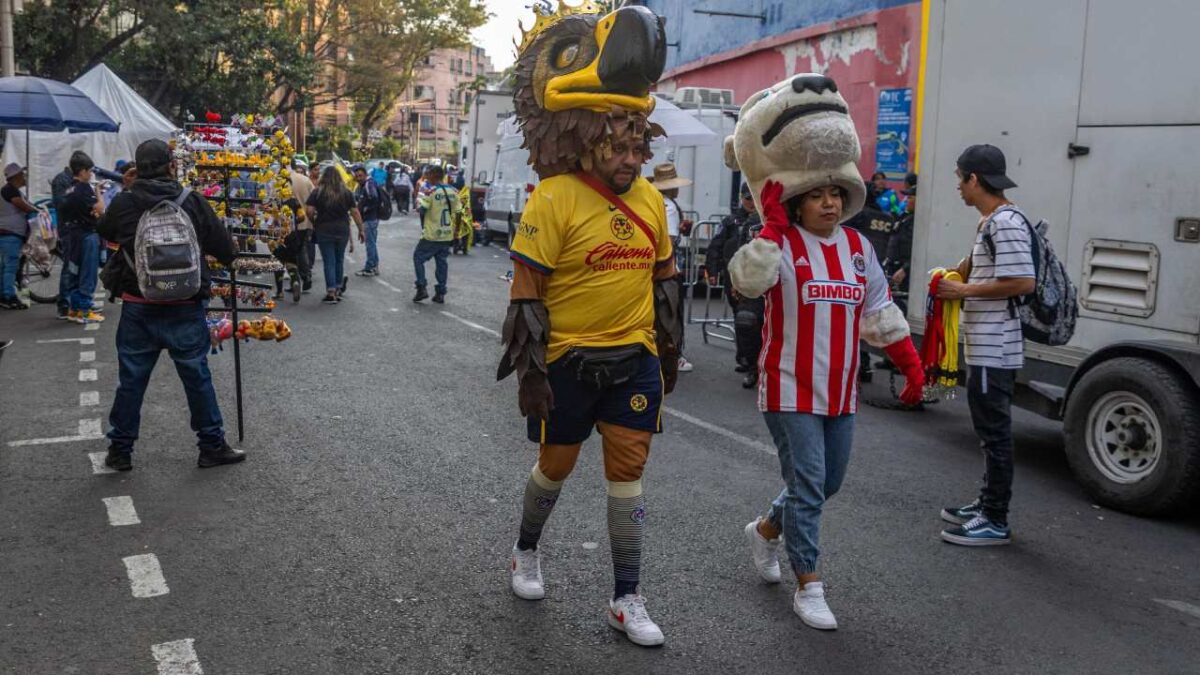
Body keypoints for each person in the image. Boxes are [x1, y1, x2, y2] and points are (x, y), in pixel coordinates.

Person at [499, 110, 681, 648]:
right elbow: (527, 292)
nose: (629, 161)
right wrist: (531, 374)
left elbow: (664, 278)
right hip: (568, 363)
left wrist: (669, 349)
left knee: (628, 472)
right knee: (556, 466)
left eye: (636, 150)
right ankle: (525, 549)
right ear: (587, 147)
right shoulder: (553, 196)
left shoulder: (649, 198)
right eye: (617, 150)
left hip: (634, 360)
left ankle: (626, 597)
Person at [96, 139, 245, 472]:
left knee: (132, 380)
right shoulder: (191, 202)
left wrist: (129, 188)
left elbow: (104, 230)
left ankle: (120, 450)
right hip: (185, 304)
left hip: (139, 305)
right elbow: (226, 250)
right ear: (171, 165)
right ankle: (211, 445)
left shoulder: (125, 203)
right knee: (196, 375)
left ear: (137, 168)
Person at [934, 145, 1035, 547]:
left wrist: (962, 289)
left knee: (995, 434)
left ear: (975, 179)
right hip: (986, 345)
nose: (958, 187)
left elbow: (1022, 281)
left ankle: (995, 518)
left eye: (960, 178)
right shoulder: (992, 222)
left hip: (997, 347)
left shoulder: (1005, 223)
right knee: (987, 431)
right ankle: (986, 503)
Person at [706, 183, 763, 387]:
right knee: (744, 321)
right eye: (748, 198)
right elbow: (717, 247)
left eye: (754, 198)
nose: (750, 202)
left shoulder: (770, 220)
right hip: (738, 277)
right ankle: (748, 362)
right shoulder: (733, 221)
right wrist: (713, 271)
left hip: (767, 281)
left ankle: (762, 364)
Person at [650, 162, 694, 375]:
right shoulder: (668, 207)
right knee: (670, 315)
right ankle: (673, 355)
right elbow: (668, 240)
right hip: (669, 269)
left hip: (654, 268)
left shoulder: (653, 202)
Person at [306, 164, 365, 304]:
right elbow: (355, 212)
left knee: (329, 261)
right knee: (339, 259)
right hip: (342, 230)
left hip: (324, 229)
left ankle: (331, 292)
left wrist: (314, 221)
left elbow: (309, 211)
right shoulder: (346, 192)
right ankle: (338, 288)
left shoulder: (317, 192)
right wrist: (361, 229)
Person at [58, 152, 106, 323]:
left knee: (74, 272)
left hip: (72, 235)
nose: (91, 174)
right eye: (90, 170)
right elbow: (99, 210)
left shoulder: (68, 189)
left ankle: (74, 309)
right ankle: (85, 310)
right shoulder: (84, 189)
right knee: (88, 274)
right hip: (87, 235)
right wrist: (99, 192)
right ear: (83, 171)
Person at [412, 165, 459, 303]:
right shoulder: (454, 191)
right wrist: (456, 231)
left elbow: (421, 210)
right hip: (447, 234)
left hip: (432, 234)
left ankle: (421, 287)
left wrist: (419, 206)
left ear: (433, 175)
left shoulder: (429, 192)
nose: (427, 177)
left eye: (428, 174)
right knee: (441, 262)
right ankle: (441, 293)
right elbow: (459, 212)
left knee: (418, 258)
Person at [0, 164, 38, 309]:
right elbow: (24, 206)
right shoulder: (9, 190)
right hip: (9, 233)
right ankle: (9, 297)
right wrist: (37, 211)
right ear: (15, 177)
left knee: (5, 266)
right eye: (22, 174)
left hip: (9, 233)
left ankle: (3, 295)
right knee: (10, 266)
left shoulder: (12, 190)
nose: (24, 176)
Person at [885, 172, 917, 313]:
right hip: (894, 270)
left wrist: (905, 269)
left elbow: (917, 252)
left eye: (910, 197)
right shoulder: (904, 217)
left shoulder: (917, 222)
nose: (906, 200)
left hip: (905, 274)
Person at [288, 159, 315, 293]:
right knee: (302, 248)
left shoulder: (282, 181)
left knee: (290, 251)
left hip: (287, 223)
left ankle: (296, 279)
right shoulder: (305, 180)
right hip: (305, 221)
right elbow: (315, 197)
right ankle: (305, 276)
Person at [352, 164, 384, 278]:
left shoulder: (368, 184)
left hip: (370, 218)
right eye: (357, 176)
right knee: (372, 243)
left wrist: (365, 209)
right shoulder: (367, 183)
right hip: (372, 218)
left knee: (370, 244)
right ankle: (374, 266)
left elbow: (373, 197)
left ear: (365, 175)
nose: (358, 178)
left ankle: (370, 267)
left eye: (360, 175)